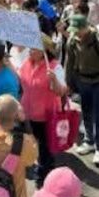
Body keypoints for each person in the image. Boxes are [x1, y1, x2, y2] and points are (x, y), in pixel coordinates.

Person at [65, 15, 99, 167]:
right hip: (83, 82)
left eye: (78, 30)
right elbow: (69, 63)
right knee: (86, 112)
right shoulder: (72, 41)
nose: (76, 34)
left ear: (85, 27)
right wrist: (68, 83)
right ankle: (89, 140)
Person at [18, 35, 68, 187]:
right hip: (28, 113)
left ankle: (45, 178)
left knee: (46, 150)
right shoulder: (26, 63)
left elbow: (61, 92)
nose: (30, 51)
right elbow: (21, 81)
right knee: (33, 145)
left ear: (45, 50)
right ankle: (40, 169)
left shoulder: (54, 67)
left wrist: (54, 81)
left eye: (34, 48)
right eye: (30, 47)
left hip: (47, 116)